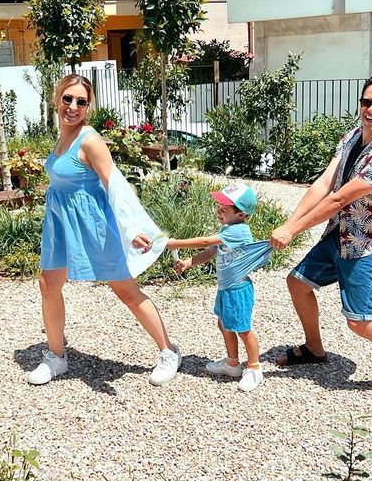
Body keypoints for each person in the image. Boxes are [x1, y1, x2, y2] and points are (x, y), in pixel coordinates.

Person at [268, 74, 372, 395]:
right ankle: (314, 349)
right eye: (367, 101)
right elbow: (324, 184)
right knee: (298, 282)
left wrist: (292, 230)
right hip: (342, 232)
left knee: (358, 320)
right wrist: (289, 223)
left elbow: (339, 199)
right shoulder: (353, 136)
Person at [27, 74, 181, 386]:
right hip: (60, 222)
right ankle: (56, 357)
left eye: (81, 102)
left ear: (88, 107)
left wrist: (131, 228)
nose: (73, 106)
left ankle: (169, 351)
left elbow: (115, 185)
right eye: (68, 99)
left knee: (125, 290)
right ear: (57, 99)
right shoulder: (63, 137)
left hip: (93, 223)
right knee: (48, 284)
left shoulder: (90, 140)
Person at [168, 182, 266, 392]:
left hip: (238, 289)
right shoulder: (228, 229)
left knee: (243, 330)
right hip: (226, 288)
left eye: (224, 209)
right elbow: (211, 251)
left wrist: (175, 243)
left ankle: (254, 368)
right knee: (224, 325)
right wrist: (187, 263)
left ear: (241, 215)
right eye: (218, 207)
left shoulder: (238, 231)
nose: (219, 212)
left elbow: (205, 241)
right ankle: (232, 364)